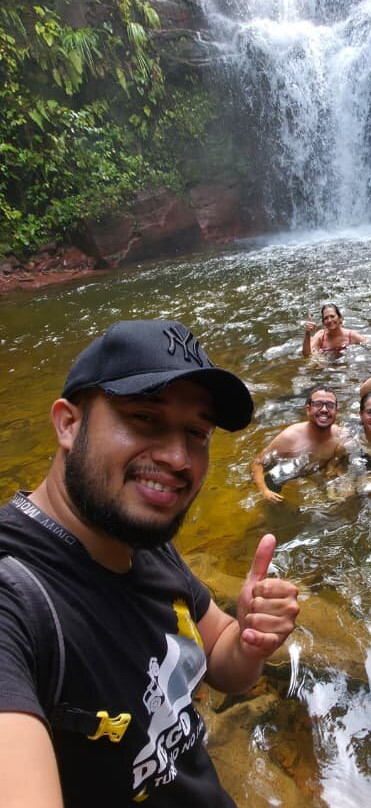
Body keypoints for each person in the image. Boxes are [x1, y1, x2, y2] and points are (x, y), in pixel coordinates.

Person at [0, 320, 299, 808]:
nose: (179, 458)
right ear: (68, 424)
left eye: (196, 432)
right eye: (144, 418)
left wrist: (250, 638)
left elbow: (226, 665)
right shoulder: (15, 596)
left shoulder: (136, 535)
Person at [251, 386, 351, 503]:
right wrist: (264, 491)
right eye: (318, 404)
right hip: (283, 476)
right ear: (308, 409)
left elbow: (342, 467)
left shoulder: (341, 436)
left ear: (336, 412)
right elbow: (257, 463)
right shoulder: (290, 438)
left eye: (330, 405)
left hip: (315, 475)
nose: (324, 409)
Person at [302, 303, 370, 357]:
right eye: (326, 318)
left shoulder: (351, 335)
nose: (329, 320)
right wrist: (307, 332)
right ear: (323, 322)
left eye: (332, 316)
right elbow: (307, 354)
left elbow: (370, 345)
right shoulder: (320, 336)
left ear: (340, 318)